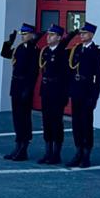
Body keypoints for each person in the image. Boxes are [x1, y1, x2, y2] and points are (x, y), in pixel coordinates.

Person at [66, 23, 100, 168]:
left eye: (84, 33)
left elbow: (99, 77)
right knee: (76, 123)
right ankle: (78, 152)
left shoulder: (97, 51)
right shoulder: (76, 49)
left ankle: (86, 154)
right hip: (76, 90)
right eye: (81, 33)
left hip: (87, 91)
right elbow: (70, 71)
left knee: (86, 124)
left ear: (91, 34)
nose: (81, 35)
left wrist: (95, 97)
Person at [0, 23, 40, 161]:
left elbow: (34, 72)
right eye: (22, 34)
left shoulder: (34, 50)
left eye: (25, 34)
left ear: (32, 35)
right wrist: (9, 42)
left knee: (24, 118)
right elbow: (5, 54)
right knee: (16, 117)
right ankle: (18, 144)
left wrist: (28, 89)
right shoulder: (20, 48)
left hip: (25, 86)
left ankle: (24, 146)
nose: (22, 36)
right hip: (16, 85)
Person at [36, 24, 71, 165]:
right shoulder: (45, 51)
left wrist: (65, 95)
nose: (48, 37)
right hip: (46, 90)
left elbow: (67, 76)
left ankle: (56, 154)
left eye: (52, 35)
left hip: (58, 92)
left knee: (56, 122)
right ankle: (48, 152)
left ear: (58, 37)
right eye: (48, 34)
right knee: (46, 122)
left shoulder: (63, 53)